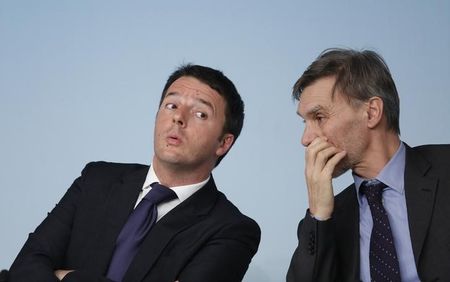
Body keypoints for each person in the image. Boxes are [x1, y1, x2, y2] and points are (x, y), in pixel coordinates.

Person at [9, 64, 261, 282]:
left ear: (223, 143)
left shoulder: (232, 230)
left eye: (200, 113)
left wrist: (65, 276)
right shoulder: (96, 180)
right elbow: (25, 267)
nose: (178, 118)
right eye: (171, 105)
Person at [286, 48, 450, 282]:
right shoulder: (326, 219)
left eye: (319, 117)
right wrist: (319, 215)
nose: (306, 139)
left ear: (372, 112)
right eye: (305, 122)